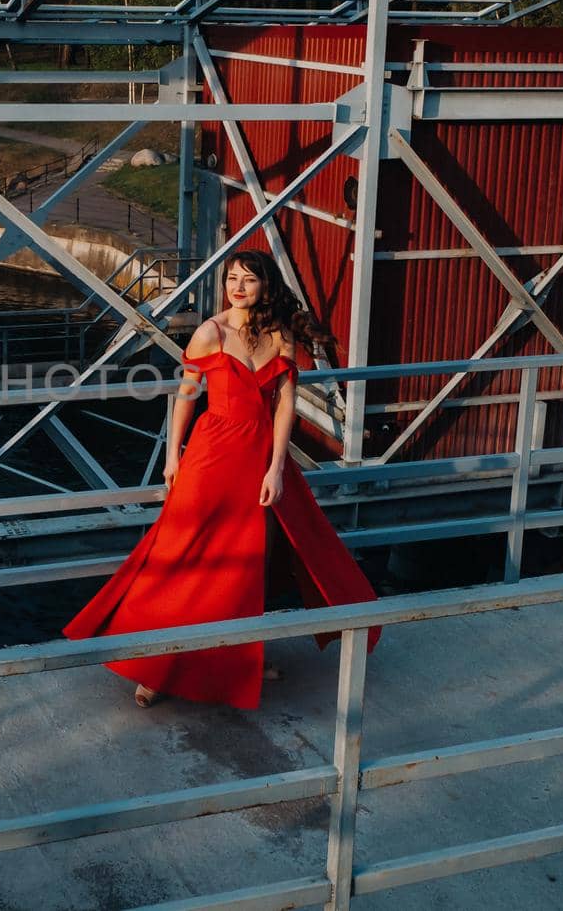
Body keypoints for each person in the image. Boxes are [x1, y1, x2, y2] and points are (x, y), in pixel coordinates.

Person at [63, 250, 382, 709]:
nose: (237, 286)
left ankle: (240, 662)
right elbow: (186, 396)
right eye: (232, 278)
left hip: (258, 461)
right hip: (211, 455)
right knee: (179, 556)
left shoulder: (281, 335)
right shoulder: (210, 332)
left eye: (248, 280)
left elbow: (285, 405)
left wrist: (276, 467)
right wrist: (173, 456)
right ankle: (153, 666)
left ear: (264, 286)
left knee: (246, 564)